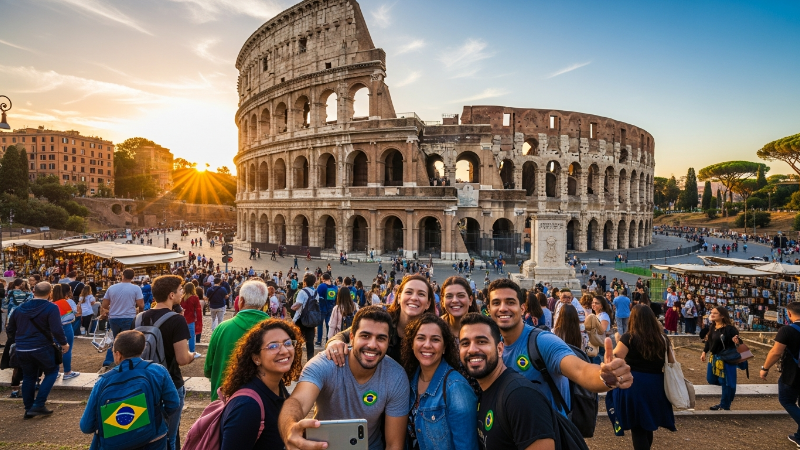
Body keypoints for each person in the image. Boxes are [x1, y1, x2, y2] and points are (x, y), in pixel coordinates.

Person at [485, 279, 632, 414]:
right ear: (489, 309)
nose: (503, 308)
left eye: (510, 302)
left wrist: (604, 377)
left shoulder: (543, 341)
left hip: (549, 434)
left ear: (523, 308)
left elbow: (581, 370)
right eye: (496, 303)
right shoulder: (489, 345)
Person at [278, 306, 410, 450]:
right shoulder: (325, 364)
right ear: (352, 337)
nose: (372, 345)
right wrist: (290, 428)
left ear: (388, 341)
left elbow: (394, 445)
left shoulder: (396, 376)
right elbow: (297, 401)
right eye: (365, 336)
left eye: (381, 338)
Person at [458, 313, 556, 450]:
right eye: (465, 343)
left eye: (481, 341)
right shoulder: (486, 390)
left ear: (499, 349)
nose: (472, 349)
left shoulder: (520, 397)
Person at [80, 330, 180, 450]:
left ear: (118, 354)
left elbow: (86, 426)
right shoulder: (158, 371)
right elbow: (174, 403)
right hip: (154, 440)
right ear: (142, 350)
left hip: (115, 444)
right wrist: (152, 415)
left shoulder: (103, 381)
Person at [217, 319, 303, 450]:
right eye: (273, 346)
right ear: (256, 358)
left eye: (288, 343)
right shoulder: (247, 407)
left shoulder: (277, 388)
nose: (285, 351)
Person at [401, 313, 479, 450]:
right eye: (420, 338)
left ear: (444, 348)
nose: (427, 345)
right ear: (412, 344)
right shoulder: (410, 380)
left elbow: (467, 446)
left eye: (435, 340)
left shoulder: (456, 388)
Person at [139, 275, 197, 450]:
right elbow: (182, 358)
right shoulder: (177, 320)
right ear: (171, 295)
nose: (182, 293)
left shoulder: (140, 317)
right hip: (170, 382)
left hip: (144, 382)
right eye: (180, 290)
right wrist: (192, 355)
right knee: (169, 437)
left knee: (148, 431)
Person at [606, 305, 676, 449]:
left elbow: (616, 359)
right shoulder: (662, 339)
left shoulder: (629, 337)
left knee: (637, 427)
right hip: (656, 385)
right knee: (647, 424)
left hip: (634, 384)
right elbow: (672, 361)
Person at [325, 274, 436, 365]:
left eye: (421, 294)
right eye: (409, 292)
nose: (414, 298)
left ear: (428, 303)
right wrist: (334, 342)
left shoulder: (433, 330)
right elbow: (346, 334)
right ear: (398, 298)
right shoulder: (380, 314)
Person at [7, 282, 69, 418]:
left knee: (29, 376)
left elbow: (10, 328)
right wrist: (64, 343)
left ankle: (28, 408)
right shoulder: (51, 308)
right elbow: (57, 329)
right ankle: (39, 404)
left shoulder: (20, 308)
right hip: (42, 346)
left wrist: (19, 338)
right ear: (50, 293)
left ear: (33, 291)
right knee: (52, 372)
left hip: (22, 348)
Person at [205, 279, 272, 400]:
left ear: (241, 301)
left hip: (224, 401)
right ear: (263, 304)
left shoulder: (221, 328)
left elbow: (208, 369)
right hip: (264, 401)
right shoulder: (276, 331)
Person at [760, 301, 800, 446]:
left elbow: (776, 352)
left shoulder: (787, 330)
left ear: (789, 313)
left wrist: (765, 368)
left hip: (793, 373)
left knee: (786, 400)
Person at [99, 269, 144, 372]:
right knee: (129, 341)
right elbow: (141, 305)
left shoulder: (112, 288)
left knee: (114, 340)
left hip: (114, 317)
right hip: (129, 317)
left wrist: (112, 309)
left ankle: (109, 362)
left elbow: (104, 305)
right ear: (133, 277)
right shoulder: (135, 288)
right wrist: (139, 312)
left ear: (122, 275)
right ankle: (127, 362)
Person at [701, 306, 741, 410]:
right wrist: (704, 352)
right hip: (714, 358)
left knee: (725, 382)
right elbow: (709, 341)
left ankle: (724, 405)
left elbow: (738, 343)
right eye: (711, 312)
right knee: (711, 379)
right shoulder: (712, 327)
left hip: (725, 359)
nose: (712, 315)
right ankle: (728, 387)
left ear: (722, 316)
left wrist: (736, 341)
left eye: (715, 313)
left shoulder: (730, 329)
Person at [51, 284, 80, 381]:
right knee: (67, 349)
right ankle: (67, 372)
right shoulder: (70, 302)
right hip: (67, 327)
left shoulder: (51, 303)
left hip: (53, 328)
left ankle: (55, 372)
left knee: (54, 349)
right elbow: (76, 313)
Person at [291, 274, 320, 361]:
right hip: (311, 319)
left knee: (297, 341)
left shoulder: (302, 292)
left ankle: (297, 360)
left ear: (305, 282)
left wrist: (292, 307)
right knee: (310, 342)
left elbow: (298, 304)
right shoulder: (316, 292)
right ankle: (310, 361)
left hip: (301, 319)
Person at [182, 282, 203, 358]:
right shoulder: (194, 298)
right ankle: (192, 352)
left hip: (182, 320)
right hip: (191, 320)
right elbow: (198, 310)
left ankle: (184, 352)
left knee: (183, 337)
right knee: (191, 337)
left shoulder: (182, 298)